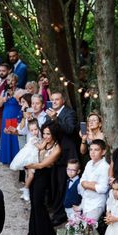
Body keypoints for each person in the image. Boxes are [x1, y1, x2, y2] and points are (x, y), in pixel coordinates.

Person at [43, 92, 79, 225]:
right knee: (54, 184)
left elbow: (70, 130)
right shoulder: (50, 113)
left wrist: (56, 118)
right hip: (54, 154)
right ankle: (54, 209)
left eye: (57, 99)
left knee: (62, 186)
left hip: (67, 155)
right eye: (52, 100)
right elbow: (45, 129)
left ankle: (61, 214)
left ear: (63, 100)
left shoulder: (69, 113)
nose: (54, 102)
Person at [25, 123, 61, 235]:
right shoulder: (42, 143)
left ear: (54, 134)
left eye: (48, 134)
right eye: (44, 133)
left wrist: (27, 165)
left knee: (38, 203)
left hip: (45, 176)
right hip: (36, 174)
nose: (45, 136)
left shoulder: (57, 148)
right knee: (33, 202)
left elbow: (42, 164)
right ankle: (34, 230)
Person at [77, 140, 110, 220]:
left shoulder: (105, 167)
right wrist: (92, 184)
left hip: (97, 202)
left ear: (103, 152)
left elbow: (103, 188)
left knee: (89, 227)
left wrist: (86, 184)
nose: (92, 152)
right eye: (91, 149)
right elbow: (82, 182)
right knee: (83, 226)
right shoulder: (89, 163)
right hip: (86, 200)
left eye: (96, 150)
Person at [10, 120, 41, 202]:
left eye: (36, 129)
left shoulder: (38, 137)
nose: (34, 132)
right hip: (30, 158)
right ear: (29, 131)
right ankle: (26, 189)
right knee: (31, 175)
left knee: (28, 175)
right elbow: (40, 147)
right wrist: (44, 142)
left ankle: (26, 191)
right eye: (32, 130)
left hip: (33, 157)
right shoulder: (33, 139)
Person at [0, 73, 23, 165]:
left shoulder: (20, 91)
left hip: (16, 116)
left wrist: (15, 96)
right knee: (7, 134)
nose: (10, 82)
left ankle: (16, 158)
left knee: (15, 136)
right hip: (6, 115)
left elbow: (23, 103)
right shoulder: (4, 92)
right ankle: (7, 158)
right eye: (8, 80)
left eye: (12, 80)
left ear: (16, 81)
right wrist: (3, 100)